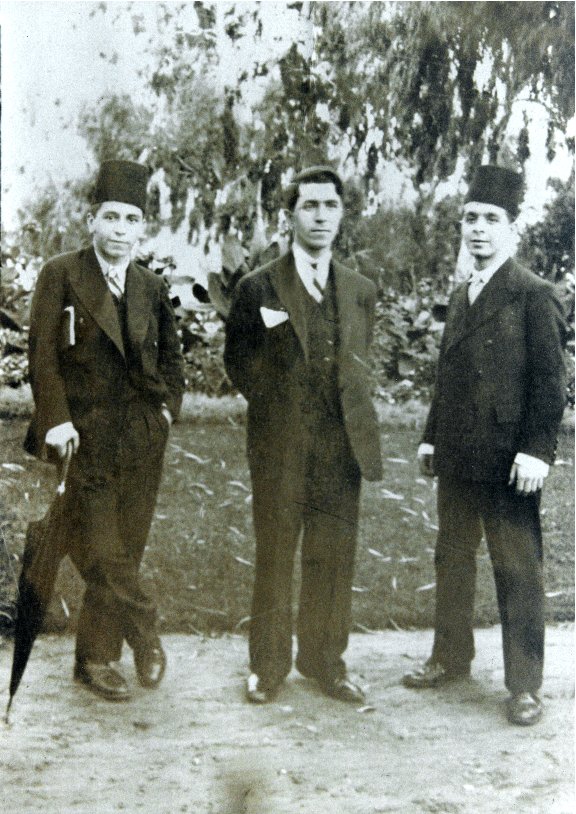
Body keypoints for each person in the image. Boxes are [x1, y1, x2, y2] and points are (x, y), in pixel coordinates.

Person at [402, 165, 567, 726]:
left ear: (511, 229)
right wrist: (429, 439)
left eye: (490, 219)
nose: (477, 229)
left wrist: (537, 452)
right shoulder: (462, 292)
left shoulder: (532, 294)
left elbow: (552, 385)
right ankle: (450, 658)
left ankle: (524, 685)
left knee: (517, 568)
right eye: (469, 218)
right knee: (451, 560)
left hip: (509, 464)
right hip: (458, 457)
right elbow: (448, 378)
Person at [25, 160, 186, 701]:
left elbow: (173, 365)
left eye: (131, 219)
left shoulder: (152, 286)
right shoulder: (62, 273)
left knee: (127, 547)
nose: (120, 228)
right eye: (111, 217)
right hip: (83, 437)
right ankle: (146, 634)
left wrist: (164, 417)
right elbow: (42, 355)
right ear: (92, 220)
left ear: (142, 228)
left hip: (141, 439)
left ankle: (97, 659)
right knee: (102, 546)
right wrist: (57, 420)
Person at [224, 166, 382, 704]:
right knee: (275, 555)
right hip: (280, 448)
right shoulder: (258, 286)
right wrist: (281, 409)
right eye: (309, 206)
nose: (319, 216)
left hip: (342, 451)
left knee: (333, 556)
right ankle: (268, 668)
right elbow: (238, 363)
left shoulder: (360, 291)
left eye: (329, 206)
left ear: (341, 215)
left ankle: (324, 662)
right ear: (290, 214)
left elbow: (359, 365)